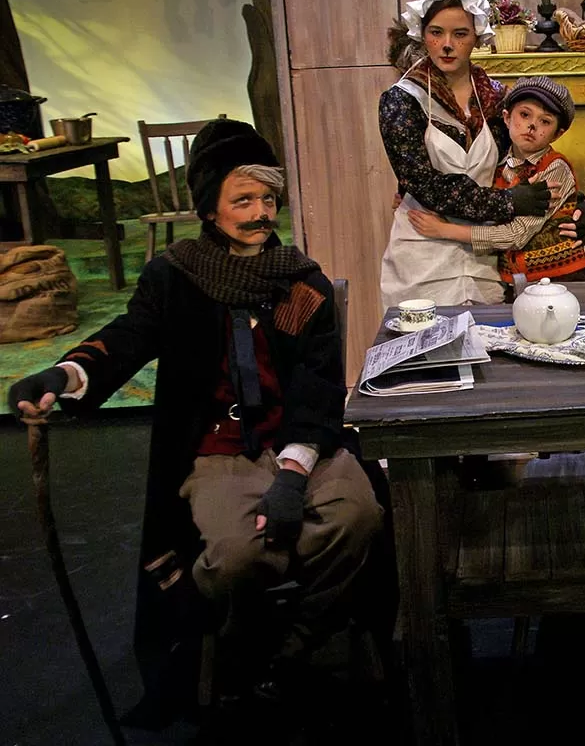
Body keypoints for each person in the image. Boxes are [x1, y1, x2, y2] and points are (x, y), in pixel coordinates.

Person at [7, 119, 386, 723]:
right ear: (210, 207)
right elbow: (128, 337)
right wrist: (65, 374)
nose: (260, 213)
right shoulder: (176, 278)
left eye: (268, 198)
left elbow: (318, 385)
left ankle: (295, 647)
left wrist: (293, 473)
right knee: (237, 556)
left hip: (300, 439)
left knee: (357, 516)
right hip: (220, 448)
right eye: (243, 200)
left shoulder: (298, 282)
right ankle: (246, 645)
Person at [378, 0, 558, 308]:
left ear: (477, 36)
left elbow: (531, 157)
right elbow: (425, 184)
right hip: (422, 258)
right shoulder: (402, 100)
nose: (447, 45)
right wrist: (507, 202)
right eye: (436, 33)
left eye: (460, 34)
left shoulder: (497, 98)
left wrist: (566, 210)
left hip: (484, 259)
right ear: (422, 35)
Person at [407, 75, 585, 290]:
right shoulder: (498, 165)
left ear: (557, 134)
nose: (532, 125)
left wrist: (444, 230)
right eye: (524, 115)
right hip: (517, 281)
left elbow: (516, 234)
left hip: (560, 280)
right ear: (506, 118)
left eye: (545, 121)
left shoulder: (554, 168)